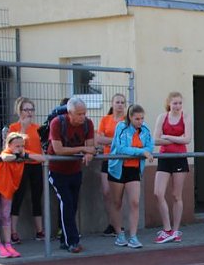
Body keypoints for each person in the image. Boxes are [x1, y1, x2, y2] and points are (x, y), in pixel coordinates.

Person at [47, 97, 95, 253]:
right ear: (70, 113)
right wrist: (82, 149)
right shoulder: (57, 123)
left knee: (72, 205)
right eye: (79, 114)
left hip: (75, 170)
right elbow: (58, 149)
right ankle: (72, 241)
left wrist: (89, 154)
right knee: (66, 202)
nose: (82, 117)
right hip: (57, 170)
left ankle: (64, 240)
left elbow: (91, 147)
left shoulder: (88, 124)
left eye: (84, 113)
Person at [0, 132, 46, 258]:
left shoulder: (23, 153)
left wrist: (24, 154)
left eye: (22, 145)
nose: (20, 148)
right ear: (9, 145)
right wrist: (16, 155)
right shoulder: (7, 152)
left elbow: (42, 158)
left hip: (8, 188)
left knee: (6, 216)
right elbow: (5, 158)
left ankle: (8, 245)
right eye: (17, 146)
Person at [108, 104, 153, 249]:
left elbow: (149, 147)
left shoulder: (145, 129)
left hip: (133, 169)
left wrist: (143, 151)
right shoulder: (121, 127)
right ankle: (119, 234)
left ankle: (133, 236)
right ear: (130, 117)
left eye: (142, 118)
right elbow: (121, 148)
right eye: (137, 119)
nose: (140, 121)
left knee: (134, 202)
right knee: (117, 202)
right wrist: (140, 152)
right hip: (118, 168)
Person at [153, 91, 192, 244]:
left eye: (180, 103)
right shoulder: (162, 117)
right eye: (175, 103)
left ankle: (175, 231)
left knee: (176, 195)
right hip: (164, 158)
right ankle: (167, 229)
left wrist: (168, 137)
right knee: (158, 193)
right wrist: (178, 140)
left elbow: (187, 139)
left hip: (179, 159)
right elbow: (156, 140)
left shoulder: (186, 116)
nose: (177, 106)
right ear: (169, 103)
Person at [7, 97, 45, 243]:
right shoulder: (13, 127)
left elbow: (42, 146)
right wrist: (22, 127)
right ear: (19, 111)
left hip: (35, 165)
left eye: (31, 109)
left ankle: (39, 231)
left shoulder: (38, 128)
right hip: (21, 165)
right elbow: (14, 145)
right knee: (18, 197)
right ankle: (13, 232)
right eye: (26, 110)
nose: (29, 113)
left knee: (37, 197)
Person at [95, 93, 127, 236]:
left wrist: (108, 139)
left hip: (121, 160)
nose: (119, 104)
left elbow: (127, 140)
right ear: (112, 103)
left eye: (122, 102)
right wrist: (115, 140)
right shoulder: (105, 120)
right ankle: (112, 224)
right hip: (107, 159)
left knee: (117, 196)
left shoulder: (127, 121)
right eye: (117, 102)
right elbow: (98, 139)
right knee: (107, 192)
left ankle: (118, 224)